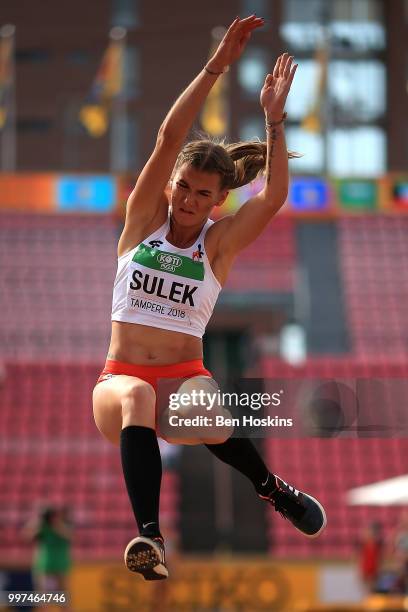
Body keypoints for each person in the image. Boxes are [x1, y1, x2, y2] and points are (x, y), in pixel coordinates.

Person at [92, 14, 327, 581]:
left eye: (204, 194)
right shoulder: (141, 222)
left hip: (183, 376)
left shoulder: (216, 247)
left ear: (219, 200)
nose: (190, 202)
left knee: (204, 401)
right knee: (139, 401)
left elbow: (270, 199)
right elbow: (169, 138)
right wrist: (217, 65)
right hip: (119, 385)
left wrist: (275, 120)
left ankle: (271, 488)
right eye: (184, 188)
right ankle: (149, 540)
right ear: (170, 185)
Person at [22, 505, 72, 596]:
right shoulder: (41, 527)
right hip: (43, 564)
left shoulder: (64, 525)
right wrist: (36, 523)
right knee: (42, 596)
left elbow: (70, 536)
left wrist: (56, 525)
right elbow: (26, 537)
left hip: (60, 564)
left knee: (63, 597)